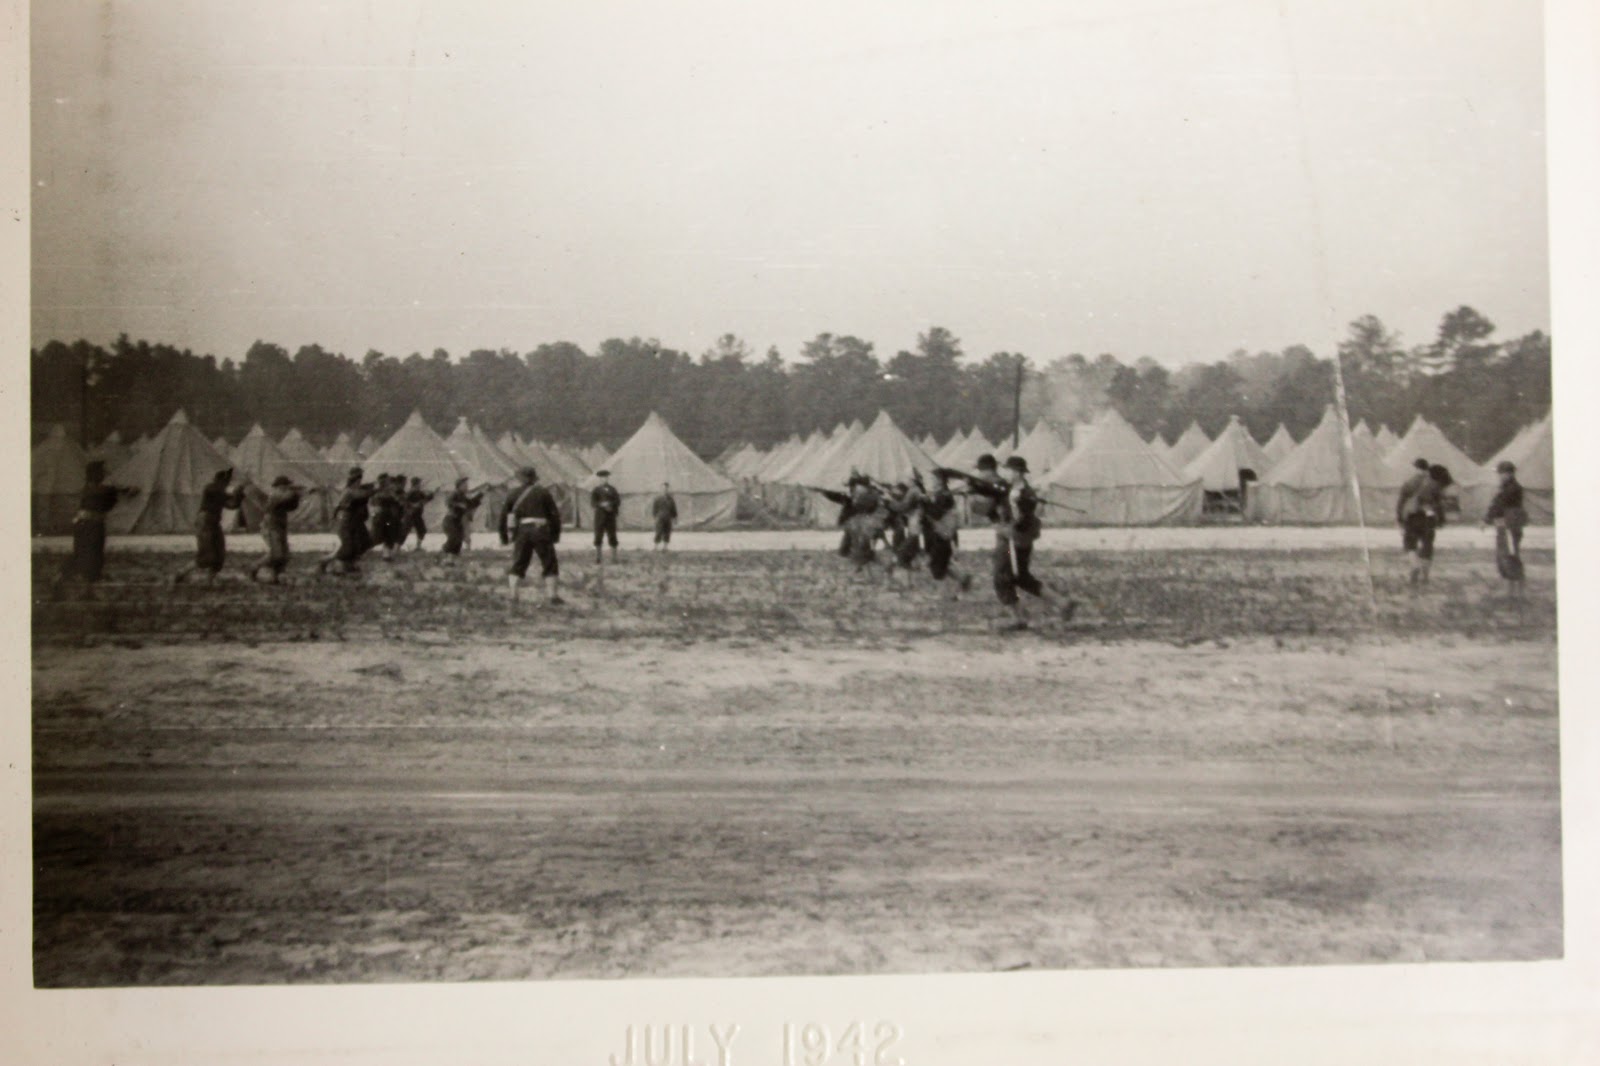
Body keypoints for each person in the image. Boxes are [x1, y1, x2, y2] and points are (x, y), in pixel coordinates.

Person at [955, 454, 1075, 630]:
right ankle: (1062, 602)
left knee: (1001, 578)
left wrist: (1009, 515)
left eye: (1010, 470)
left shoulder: (1022, 493)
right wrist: (975, 489)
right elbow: (994, 494)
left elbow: (1019, 518)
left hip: (1011, 543)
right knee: (1022, 577)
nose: (1007, 473)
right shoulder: (1014, 489)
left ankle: (1019, 618)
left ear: (1018, 472)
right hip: (1017, 541)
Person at [51, 460, 138, 597]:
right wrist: (126, 490)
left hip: (84, 524)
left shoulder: (89, 488)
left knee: (82, 554)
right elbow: (114, 493)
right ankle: (83, 587)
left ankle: (65, 578)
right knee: (93, 555)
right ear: (96, 474)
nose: (104, 474)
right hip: (93, 525)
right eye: (102, 472)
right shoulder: (100, 489)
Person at [500, 466, 564, 606]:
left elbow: (504, 516)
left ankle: (513, 596)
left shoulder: (513, 494)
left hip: (522, 531)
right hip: (541, 530)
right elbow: (554, 516)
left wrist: (504, 537)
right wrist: (555, 535)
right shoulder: (544, 493)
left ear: (520, 479)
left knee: (518, 562)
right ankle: (552, 596)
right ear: (534, 478)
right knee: (549, 562)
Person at [172, 468, 245, 585]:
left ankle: (208, 581)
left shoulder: (218, 490)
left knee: (219, 553)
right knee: (207, 555)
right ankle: (181, 573)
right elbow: (225, 497)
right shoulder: (211, 488)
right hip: (205, 522)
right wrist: (237, 492)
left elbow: (232, 505)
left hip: (213, 523)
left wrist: (239, 494)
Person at [918, 469, 972, 599]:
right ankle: (963, 577)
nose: (932, 482)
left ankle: (942, 593)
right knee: (941, 562)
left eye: (934, 479)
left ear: (941, 481)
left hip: (941, 533)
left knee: (936, 564)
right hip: (939, 533)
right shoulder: (941, 494)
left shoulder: (944, 496)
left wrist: (925, 503)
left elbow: (937, 514)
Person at [1395, 457, 1444, 588]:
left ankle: (1415, 565)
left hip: (1412, 518)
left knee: (1410, 544)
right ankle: (1425, 576)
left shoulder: (1408, 483)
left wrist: (1399, 519)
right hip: (1429, 518)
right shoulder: (1434, 484)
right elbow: (1439, 504)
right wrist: (1440, 520)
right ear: (1427, 469)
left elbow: (1401, 503)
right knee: (1427, 545)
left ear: (1416, 468)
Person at [319, 467, 377, 575]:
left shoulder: (358, 489)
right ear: (355, 480)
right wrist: (375, 489)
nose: (360, 481)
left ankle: (349, 564)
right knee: (348, 547)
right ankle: (327, 561)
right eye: (358, 479)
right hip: (347, 521)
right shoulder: (349, 491)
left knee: (364, 543)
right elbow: (360, 495)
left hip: (357, 522)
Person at [1484, 459, 1527, 598]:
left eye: (1501, 473)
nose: (1499, 476)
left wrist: (1486, 519)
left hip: (1509, 526)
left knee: (1510, 556)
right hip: (1507, 525)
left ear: (1508, 474)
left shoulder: (1512, 488)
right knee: (1507, 556)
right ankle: (1512, 591)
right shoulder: (1509, 487)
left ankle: (1516, 592)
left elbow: (1499, 504)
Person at [249, 475, 302, 583]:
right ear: (280, 486)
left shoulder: (281, 494)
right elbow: (284, 499)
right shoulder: (275, 495)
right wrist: (295, 493)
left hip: (279, 527)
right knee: (277, 554)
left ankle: (277, 576)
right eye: (286, 485)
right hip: (271, 527)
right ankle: (254, 567)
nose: (288, 487)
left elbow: (292, 506)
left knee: (285, 556)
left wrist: (296, 497)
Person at [440, 476, 484, 562]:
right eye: (465, 485)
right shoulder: (455, 493)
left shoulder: (462, 496)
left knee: (459, 539)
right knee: (454, 538)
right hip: (450, 520)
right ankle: (444, 554)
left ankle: (452, 559)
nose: (467, 487)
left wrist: (481, 494)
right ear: (459, 486)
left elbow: (470, 504)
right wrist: (458, 504)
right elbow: (448, 502)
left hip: (457, 521)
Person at [590, 469, 621, 564]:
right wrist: (602, 504)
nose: (605, 479)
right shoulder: (596, 490)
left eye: (606, 477)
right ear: (599, 479)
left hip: (611, 516)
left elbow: (618, 501)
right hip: (600, 517)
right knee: (598, 536)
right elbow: (593, 503)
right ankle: (598, 557)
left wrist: (610, 504)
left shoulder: (613, 489)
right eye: (602, 478)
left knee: (612, 536)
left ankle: (614, 558)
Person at [402, 477, 435, 550]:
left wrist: (432, 495)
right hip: (410, 515)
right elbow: (404, 502)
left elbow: (425, 499)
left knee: (422, 530)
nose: (420, 485)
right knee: (404, 531)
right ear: (416, 484)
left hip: (417, 515)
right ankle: (396, 548)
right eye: (419, 483)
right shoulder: (410, 492)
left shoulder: (419, 493)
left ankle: (418, 547)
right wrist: (413, 505)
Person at [651, 482, 678, 552]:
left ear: (668, 489)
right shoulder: (657, 499)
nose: (665, 490)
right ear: (661, 489)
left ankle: (665, 547)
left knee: (667, 532)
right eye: (663, 488)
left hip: (668, 518)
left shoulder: (671, 499)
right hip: (660, 518)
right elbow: (654, 509)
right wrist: (655, 517)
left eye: (666, 488)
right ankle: (656, 547)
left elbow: (673, 509)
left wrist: (675, 518)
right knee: (658, 531)